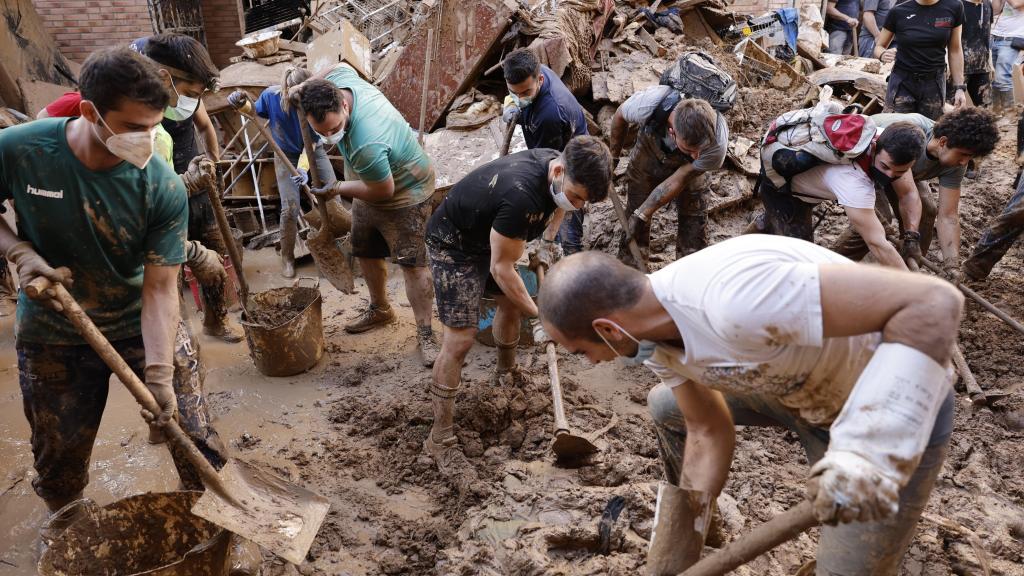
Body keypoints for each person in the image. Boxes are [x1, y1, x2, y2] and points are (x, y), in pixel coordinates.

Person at [537, 236, 962, 574]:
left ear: (608, 329)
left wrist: (870, 450)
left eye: (580, 352)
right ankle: (701, 529)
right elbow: (706, 429)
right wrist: (674, 555)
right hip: (799, 390)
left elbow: (934, 303)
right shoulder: (651, 342)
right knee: (668, 406)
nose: (589, 363)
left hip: (882, 415)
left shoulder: (733, 300)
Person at [0, 48, 226, 544]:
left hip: (137, 318)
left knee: (194, 435)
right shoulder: (21, 149)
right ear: (89, 112)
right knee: (58, 461)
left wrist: (160, 374)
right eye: (132, 126)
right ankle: (71, 534)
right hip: (53, 328)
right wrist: (16, 249)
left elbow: (161, 288)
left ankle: (214, 530)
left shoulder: (160, 186)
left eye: (153, 125)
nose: (146, 139)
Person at [423, 136, 612, 476]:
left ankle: (505, 373)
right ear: (558, 171)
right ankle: (440, 437)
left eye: (585, 201)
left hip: (492, 234)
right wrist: (541, 316)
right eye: (576, 196)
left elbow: (560, 206)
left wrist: (548, 240)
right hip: (455, 243)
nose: (578, 205)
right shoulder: (521, 195)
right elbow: (501, 268)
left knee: (509, 304)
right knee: (461, 338)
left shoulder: (561, 170)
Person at [296, 65, 439, 366]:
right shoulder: (340, 83)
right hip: (367, 184)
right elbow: (340, 65)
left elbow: (383, 190)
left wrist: (337, 188)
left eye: (334, 129)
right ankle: (380, 309)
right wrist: (305, 86)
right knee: (365, 250)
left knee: (412, 263)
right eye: (321, 132)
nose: (330, 136)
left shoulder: (367, 142)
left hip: (405, 191)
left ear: (345, 105)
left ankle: (426, 333)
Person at [834, 109, 1000, 280]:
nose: (965, 162)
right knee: (878, 220)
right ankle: (831, 267)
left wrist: (952, 265)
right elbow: (907, 195)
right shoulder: (912, 136)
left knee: (927, 210)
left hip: (901, 174)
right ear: (943, 142)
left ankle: (907, 273)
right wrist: (910, 235)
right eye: (963, 154)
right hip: (868, 164)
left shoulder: (956, 165)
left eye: (970, 156)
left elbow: (948, 216)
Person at [753, 118, 927, 269]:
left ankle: (770, 221)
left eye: (898, 173)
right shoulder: (853, 181)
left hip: (813, 183)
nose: (889, 176)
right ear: (874, 146)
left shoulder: (884, 139)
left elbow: (909, 194)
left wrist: (911, 236)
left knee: (778, 223)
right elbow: (877, 243)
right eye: (885, 167)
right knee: (801, 264)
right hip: (785, 190)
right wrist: (916, 287)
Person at [229, 67, 337, 278]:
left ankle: (338, 245)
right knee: (290, 208)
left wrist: (303, 168)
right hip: (284, 153)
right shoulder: (271, 96)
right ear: (287, 92)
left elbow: (313, 143)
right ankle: (287, 256)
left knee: (334, 193)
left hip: (312, 150)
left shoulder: (314, 100)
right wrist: (241, 102)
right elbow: (252, 112)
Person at [608, 95, 729, 266]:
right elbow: (620, 115)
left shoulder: (717, 147)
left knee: (694, 213)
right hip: (650, 147)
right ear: (672, 132)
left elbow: (678, 179)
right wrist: (613, 158)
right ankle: (632, 268)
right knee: (636, 209)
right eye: (689, 149)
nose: (696, 156)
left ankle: (691, 269)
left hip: (689, 170)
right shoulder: (648, 104)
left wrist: (644, 213)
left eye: (700, 150)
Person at [502, 48, 589, 256]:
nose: (519, 97)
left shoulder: (550, 115)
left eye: (525, 93)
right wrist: (512, 103)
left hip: (573, 154)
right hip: (551, 135)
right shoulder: (532, 73)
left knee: (563, 202)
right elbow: (520, 97)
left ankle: (567, 253)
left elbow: (545, 165)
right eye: (515, 92)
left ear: (540, 79)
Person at [873, 0, 968, 119]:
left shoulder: (954, 7)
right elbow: (879, 46)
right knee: (899, 128)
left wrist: (960, 88)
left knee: (930, 128)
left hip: (934, 83)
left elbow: (955, 50)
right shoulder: (898, 11)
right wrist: (882, 54)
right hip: (902, 83)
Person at [954, 0, 994, 106]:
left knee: (985, 108)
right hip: (958, 68)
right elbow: (948, 37)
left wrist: (990, 63)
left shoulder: (987, 4)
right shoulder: (956, 5)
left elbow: (987, 34)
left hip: (982, 67)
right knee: (953, 109)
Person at [990, 0, 1024, 112]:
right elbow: (995, 11)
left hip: (1013, 37)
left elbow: (1016, 4)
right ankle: (997, 112)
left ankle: (1009, 114)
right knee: (994, 77)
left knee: (1002, 76)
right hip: (995, 36)